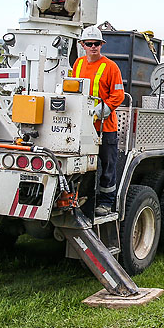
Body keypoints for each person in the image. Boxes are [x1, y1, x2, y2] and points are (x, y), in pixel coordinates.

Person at [73, 25, 125, 217]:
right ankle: (83, 200)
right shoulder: (77, 64)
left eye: (96, 44)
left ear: (101, 45)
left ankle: (106, 203)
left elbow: (118, 94)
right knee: (84, 165)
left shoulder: (111, 67)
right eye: (89, 44)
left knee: (108, 165)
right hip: (84, 126)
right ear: (83, 45)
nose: (93, 47)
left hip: (105, 126)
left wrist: (105, 108)